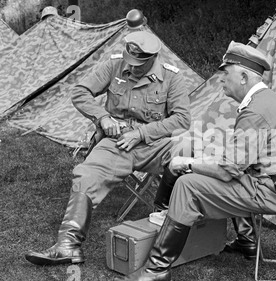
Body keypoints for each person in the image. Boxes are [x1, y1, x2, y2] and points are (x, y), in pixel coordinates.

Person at [111, 41, 276, 281]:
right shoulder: (266, 101)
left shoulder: (255, 111)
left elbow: (228, 171)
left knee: (188, 184)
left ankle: (157, 269)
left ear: (244, 77)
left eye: (225, 74)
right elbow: (241, 161)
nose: (221, 80)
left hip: (274, 193)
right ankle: (246, 241)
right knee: (216, 167)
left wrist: (187, 163)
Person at [24, 30, 191, 266]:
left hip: (154, 143)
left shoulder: (172, 77)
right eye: (129, 62)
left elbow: (182, 119)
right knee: (87, 174)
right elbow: (80, 92)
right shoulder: (114, 64)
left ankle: (164, 216)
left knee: (186, 151)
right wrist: (102, 117)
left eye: (138, 65)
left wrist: (142, 133)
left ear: (152, 59)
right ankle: (68, 245)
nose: (131, 68)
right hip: (117, 142)